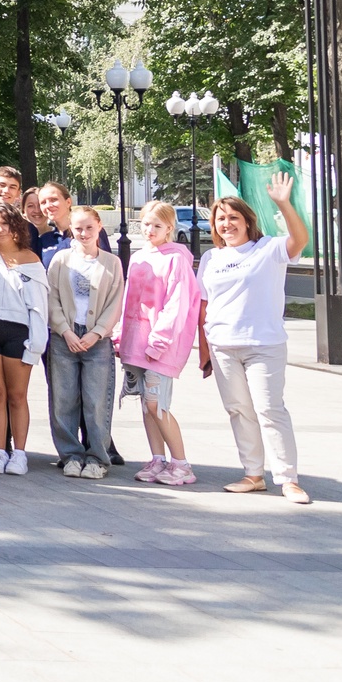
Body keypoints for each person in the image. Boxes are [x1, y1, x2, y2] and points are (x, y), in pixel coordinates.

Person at [199, 175, 312, 503]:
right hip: (222, 346)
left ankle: (288, 480)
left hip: (264, 345)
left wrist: (283, 204)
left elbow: (300, 240)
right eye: (220, 219)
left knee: (269, 409)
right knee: (238, 410)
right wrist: (204, 351)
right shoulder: (210, 259)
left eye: (233, 217)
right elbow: (204, 306)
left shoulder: (269, 249)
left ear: (247, 221)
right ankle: (253, 475)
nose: (227, 224)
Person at [118, 201, 203, 487]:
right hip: (136, 344)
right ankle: (158, 459)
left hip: (161, 348)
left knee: (157, 404)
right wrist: (120, 336)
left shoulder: (176, 259)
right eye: (146, 223)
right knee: (146, 406)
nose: (150, 230)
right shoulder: (140, 257)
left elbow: (176, 305)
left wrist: (158, 341)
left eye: (157, 225)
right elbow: (128, 300)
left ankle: (181, 464)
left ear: (169, 228)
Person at [0, 210, 50, 475]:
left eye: (6, 224)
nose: (0, 229)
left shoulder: (31, 260)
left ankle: (20, 454)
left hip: (18, 333)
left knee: (17, 395)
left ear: (16, 227)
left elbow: (40, 308)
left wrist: (36, 345)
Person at [46, 205, 123, 477]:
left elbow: (115, 301)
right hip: (64, 337)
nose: (84, 233)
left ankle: (97, 458)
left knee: (96, 400)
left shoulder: (111, 263)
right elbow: (51, 297)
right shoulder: (61, 260)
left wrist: (97, 332)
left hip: (96, 340)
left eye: (89, 227)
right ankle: (70, 455)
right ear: (71, 229)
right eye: (78, 228)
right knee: (63, 399)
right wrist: (65, 330)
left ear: (99, 226)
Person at [32, 181, 74, 264]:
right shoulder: (44, 240)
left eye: (54, 200)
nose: (48, 205)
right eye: (43, 202)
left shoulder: (90, 232)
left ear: (68, 202)